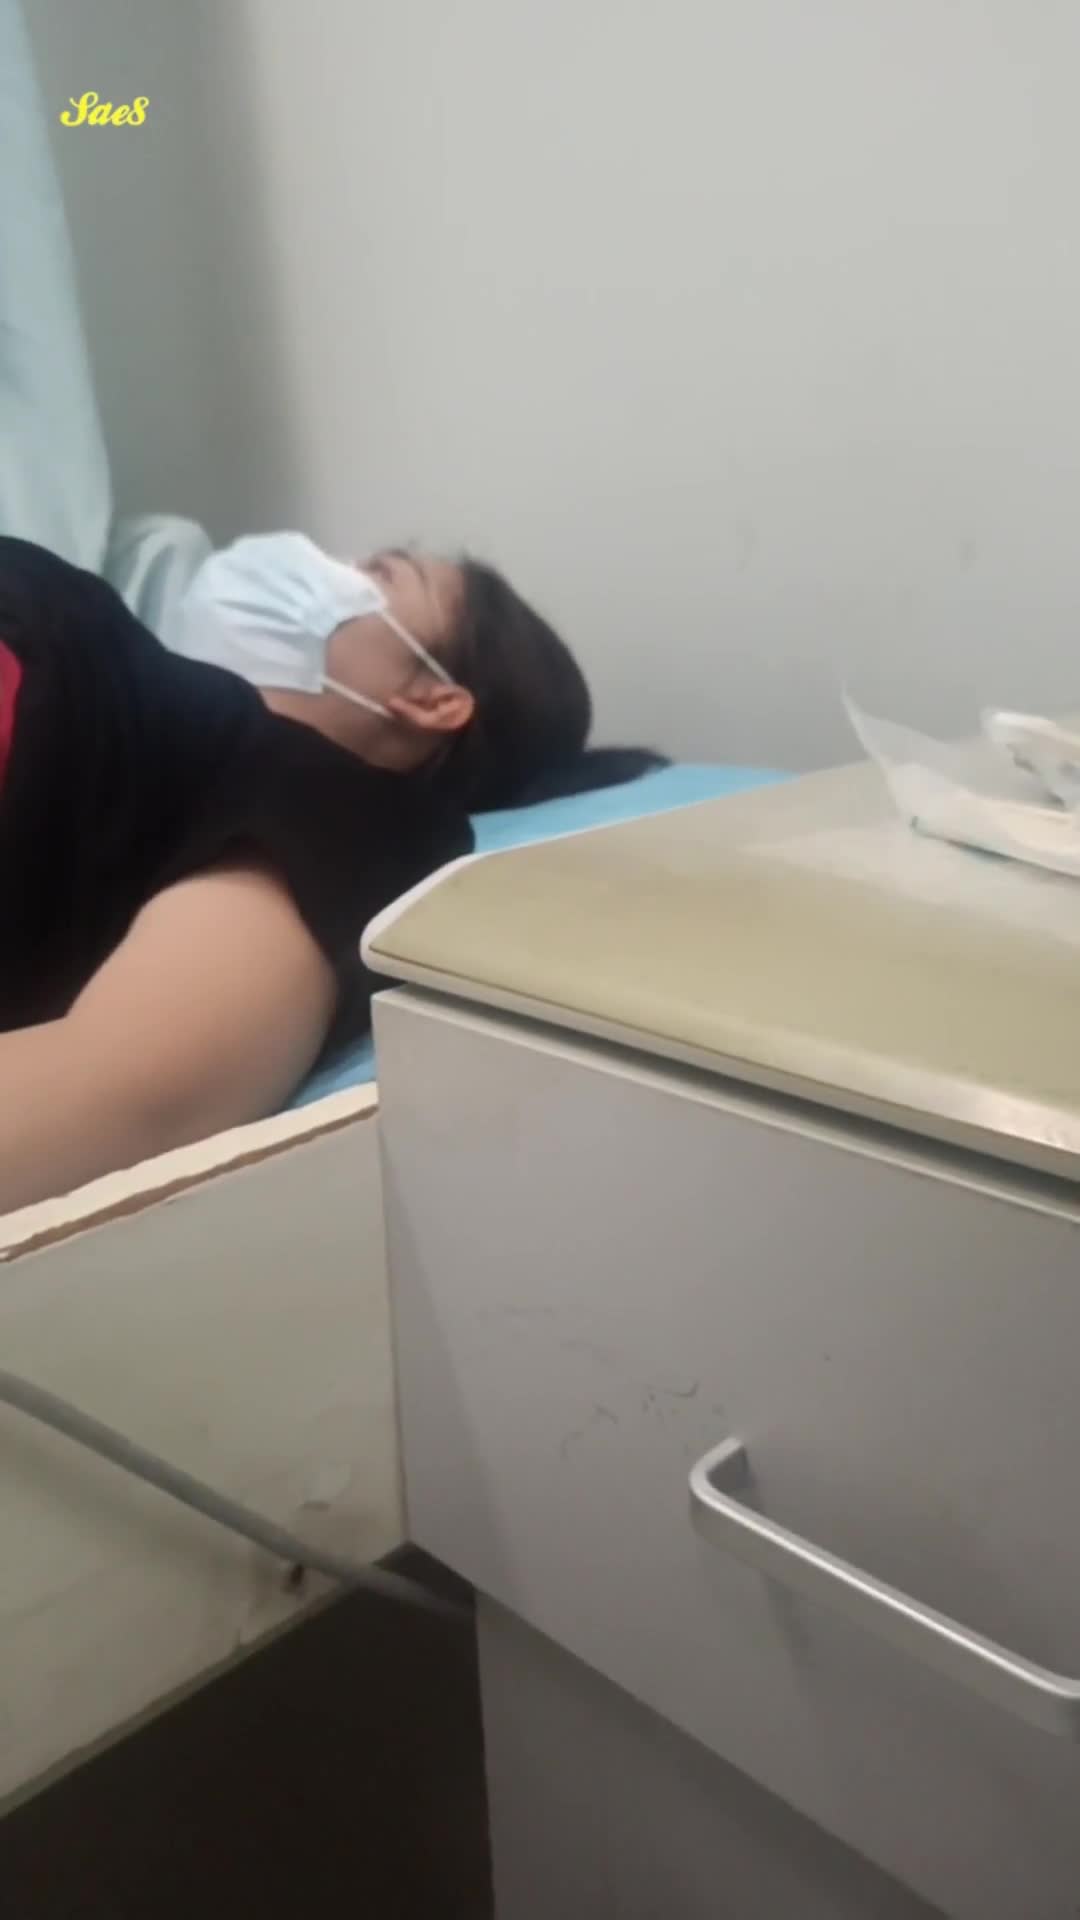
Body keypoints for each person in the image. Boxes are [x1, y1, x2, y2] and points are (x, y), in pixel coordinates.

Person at [0, 531, 618, 1210]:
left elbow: (122, 1091)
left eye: (378, 574)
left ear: (433, 699)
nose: (313, 565)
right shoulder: (130, 671)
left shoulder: (352, 812)